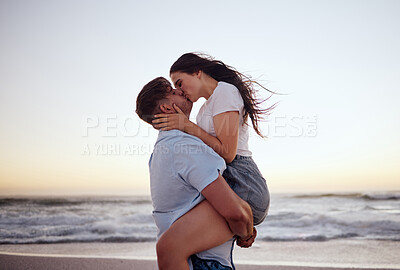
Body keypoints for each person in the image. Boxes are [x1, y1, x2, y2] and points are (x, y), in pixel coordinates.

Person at [136, 77, 257, 270]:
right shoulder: (184, 147)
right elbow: (236, 214)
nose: (180, 91)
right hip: (203, 262)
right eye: (173, 91)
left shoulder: (161, 151)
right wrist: (246, 233)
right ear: (167, 109)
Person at [153, 52, 272, 227]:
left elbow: (228, 153)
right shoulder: (205, 108)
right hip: (230, 179)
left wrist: (187, 125)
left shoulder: (224, 91)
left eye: (179, 83)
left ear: (197, 72)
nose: (180, 90)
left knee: (174, 238)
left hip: (243, 183)